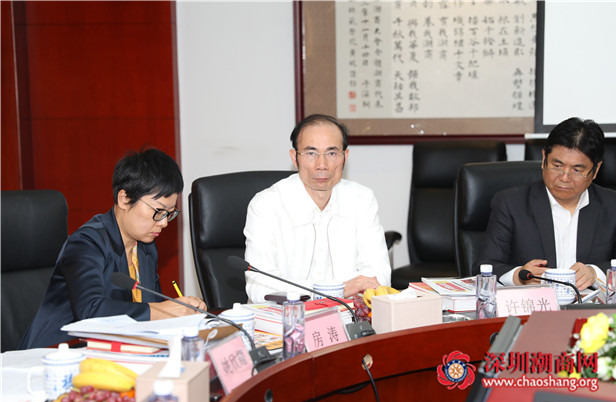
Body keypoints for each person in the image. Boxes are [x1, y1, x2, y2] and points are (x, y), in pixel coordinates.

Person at [20, 148, 207, 349]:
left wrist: (181, 310)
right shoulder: (86, 243)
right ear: (124, 199)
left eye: (169, 213)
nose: (164, 223)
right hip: (53, 353)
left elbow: (151, 311)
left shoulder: (145, 248)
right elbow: (90, 311)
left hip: (109, 351)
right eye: (159, 211)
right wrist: (164, 310)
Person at [477, 117, 616, 290]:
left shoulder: (614, 205)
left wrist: (595, 273)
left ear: (595, 170)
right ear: (544, 159)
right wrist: (519, 276)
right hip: (535, 302)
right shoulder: (511, 204)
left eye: (576, 170)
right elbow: (485, 265)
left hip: (589, 304)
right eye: (557, 166)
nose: (564, 177)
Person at [243, 114, 391, 303]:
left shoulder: (362, 199)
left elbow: (378, 277)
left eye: (332, 153)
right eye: (311, 153)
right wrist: (340, 289)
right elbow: (260, 289)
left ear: (345, 157)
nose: (322, 165)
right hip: (285, 318)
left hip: (347, 315)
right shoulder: (266, 205)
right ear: (294, 158)